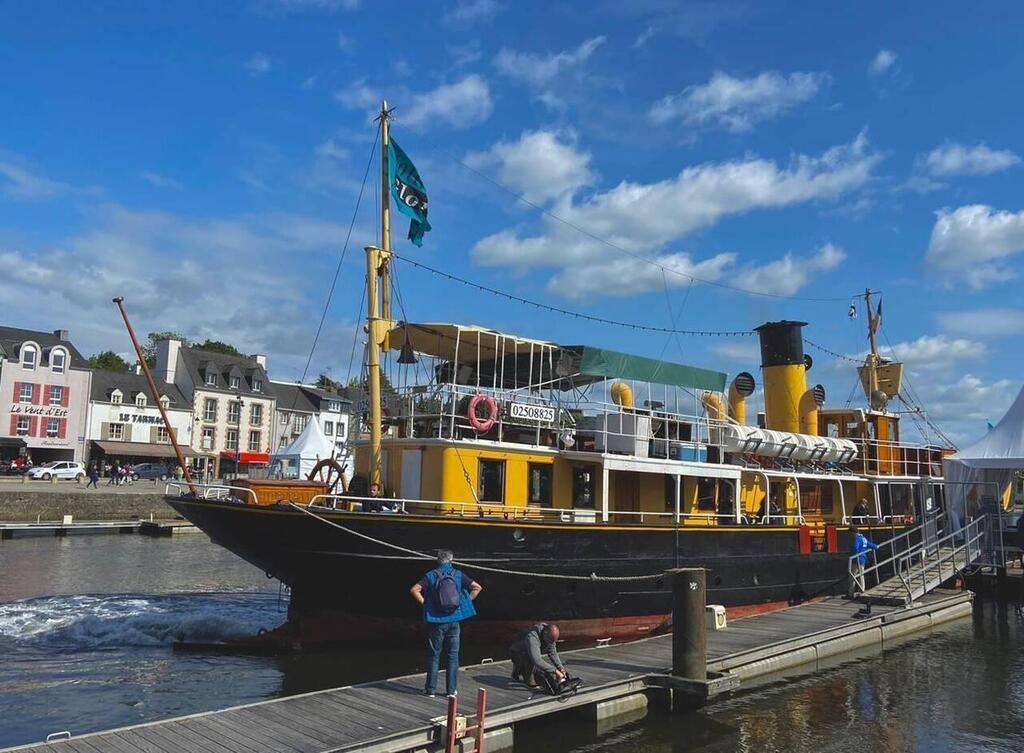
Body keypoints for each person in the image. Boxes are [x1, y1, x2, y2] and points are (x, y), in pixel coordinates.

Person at [409, 549, 482, 698]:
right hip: (454, 621)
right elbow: (477, 587)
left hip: (436, 621)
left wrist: (426, 605)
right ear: (451, 560)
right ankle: (451, 691)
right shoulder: (458, 574)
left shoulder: (431, 575)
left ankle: (431, 690)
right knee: (453, 656)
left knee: (434, 655)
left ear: (438, 560)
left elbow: (414, 590)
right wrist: (465, 602)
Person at [510, 623, 567, 689]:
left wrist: (560, 667)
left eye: (553, 641)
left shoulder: (550, 636)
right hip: (516, 653)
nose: (551, 643)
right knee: (530, 659)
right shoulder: (532, 636)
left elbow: (552, 652)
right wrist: (555, 671)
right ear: (545, 633)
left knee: (539, 673)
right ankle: (528, 681)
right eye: (550, 640)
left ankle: (517, 671)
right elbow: (537, 660)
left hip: (524, 651)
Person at [850, 525, 879, 593]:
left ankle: (851, 592)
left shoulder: (857, 538)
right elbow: (869, 544)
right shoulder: (863, 538)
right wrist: (876, 546)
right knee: (861, 576)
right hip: (863, 559)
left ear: (852, 532)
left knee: (852, 577)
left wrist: (854, 555)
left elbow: (855, 548)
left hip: (857, 560)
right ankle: (862, 590)